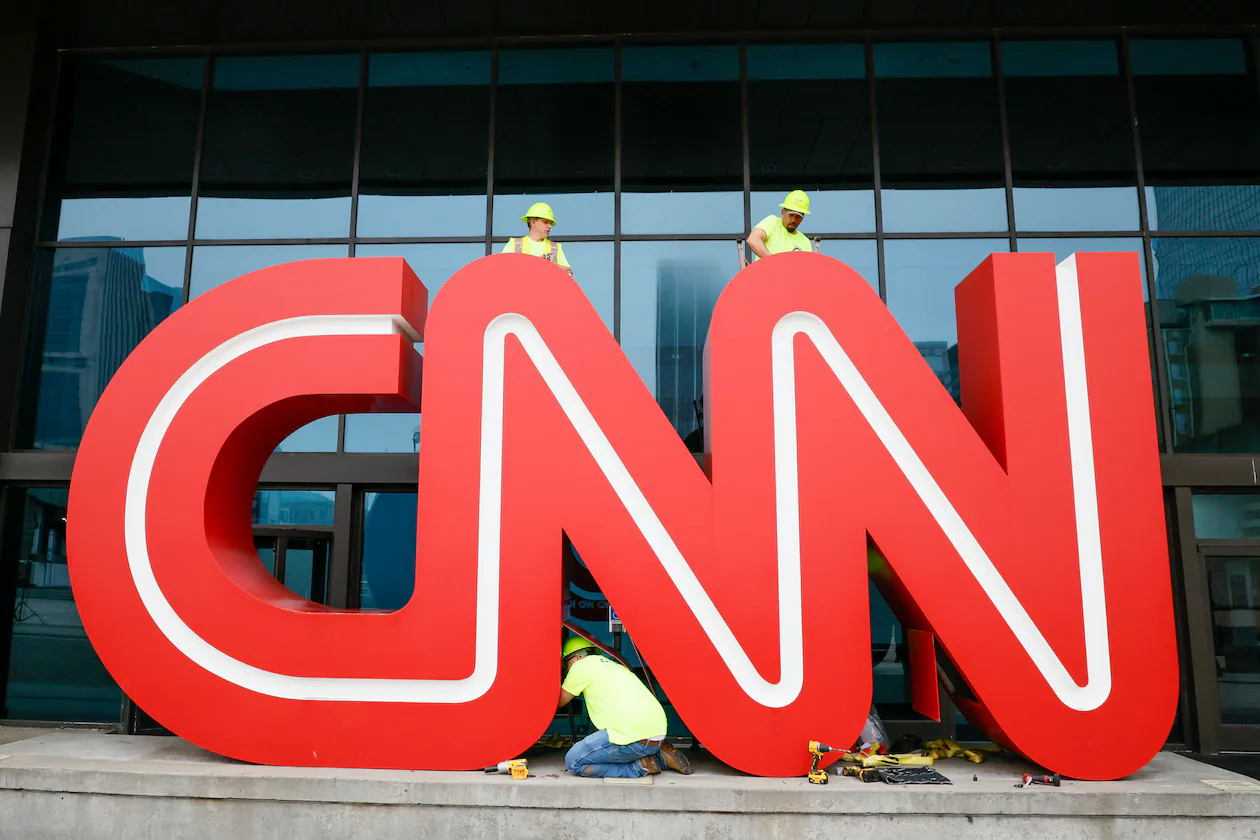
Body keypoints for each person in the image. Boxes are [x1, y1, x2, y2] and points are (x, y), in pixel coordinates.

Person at [558, 635, 693, 778]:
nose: (566, 669)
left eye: (566, 663)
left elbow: (560, 701)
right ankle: (659, 757)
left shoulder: (580, 666)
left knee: (574, 761)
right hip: (656, 736)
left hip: (634, 738)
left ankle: (638, 767)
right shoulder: (614, 665)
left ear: (578, 657)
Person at [502, 202, 573, 275]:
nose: (550, 226)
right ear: (533, 222)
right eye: (545, 222)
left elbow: (568, 273)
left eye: (550, 223)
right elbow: (501, 269)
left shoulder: (555, 248)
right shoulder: (514, 244)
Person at [747, 189, 813, 260]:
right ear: (783, 212)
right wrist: (774, 262)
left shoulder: (805, 242)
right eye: (791, 215)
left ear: (802, 218)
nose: (793, 220)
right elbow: (753, 239)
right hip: (765, 271)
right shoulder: (773, 222)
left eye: (798, 217)